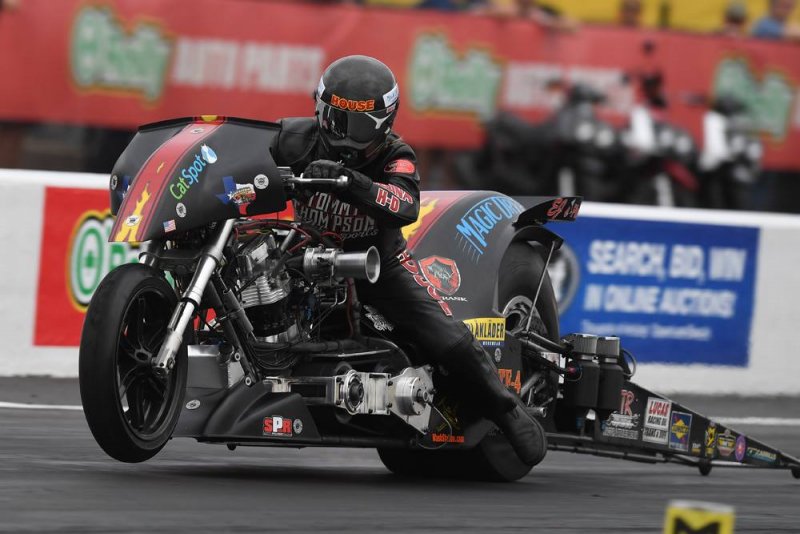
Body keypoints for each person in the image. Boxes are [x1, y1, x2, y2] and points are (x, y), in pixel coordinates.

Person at [270, 55, 547, 466]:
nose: (342, 133)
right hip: (303, 256)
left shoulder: (396, 154)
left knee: (443, 334)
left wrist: (352, 182)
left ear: (382, 123)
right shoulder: (292, 137)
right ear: (319, 109)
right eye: (335, 118)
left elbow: (404, 204)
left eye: (357, 125)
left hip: (377, 267)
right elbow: (239, 160)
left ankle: (506, 409)